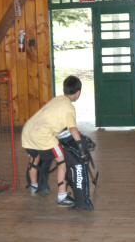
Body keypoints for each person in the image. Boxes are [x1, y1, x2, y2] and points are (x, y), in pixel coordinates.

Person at [22, 75, 84, 207]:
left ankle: (34, 186)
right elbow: (73, 130)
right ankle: (62, 196)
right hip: (42, 136)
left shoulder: (57, 99)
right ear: (78, 92)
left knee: (36, 157)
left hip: (27, 132)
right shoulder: (69, 108)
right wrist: (81, 148)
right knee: (62, 161)